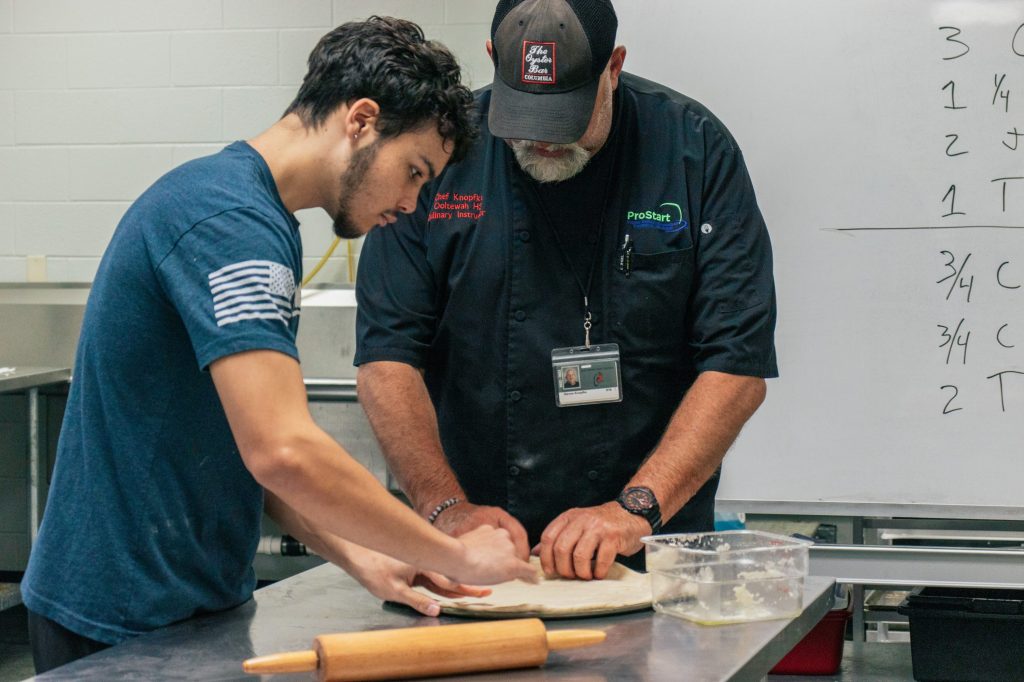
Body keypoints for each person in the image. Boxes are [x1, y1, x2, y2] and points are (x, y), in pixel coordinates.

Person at [21, 17, 535, 675]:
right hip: (121, 622)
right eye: (414, 170)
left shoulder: (258, 219)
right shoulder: (229, 222)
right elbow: (284, 449)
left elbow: (250, 453)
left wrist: (367, 559)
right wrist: (456, 554)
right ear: (361, 121)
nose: (411, 202)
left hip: (187, 609)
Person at [355, 0, 777, 582]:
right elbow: (387, 357)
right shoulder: (438, 159)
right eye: (526, 116)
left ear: (614, 68)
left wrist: (636, 508)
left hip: (656, 548)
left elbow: (737, 365)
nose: (544, 141)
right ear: (493, 62)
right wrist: (447, 510)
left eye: (567, 116)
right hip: (476, 553)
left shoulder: (694, 150)